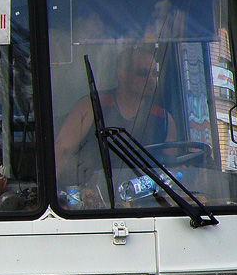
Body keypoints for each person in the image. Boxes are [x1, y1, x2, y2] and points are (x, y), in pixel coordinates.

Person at [55, 44, 176, 191]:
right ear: (121, 74)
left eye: (154, 74)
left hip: (148, 203)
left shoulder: (164, 119)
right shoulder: (91, 106)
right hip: (96, 203)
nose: (151, 79)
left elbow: (172, 170)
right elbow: (62, 151)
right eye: (143, 73)